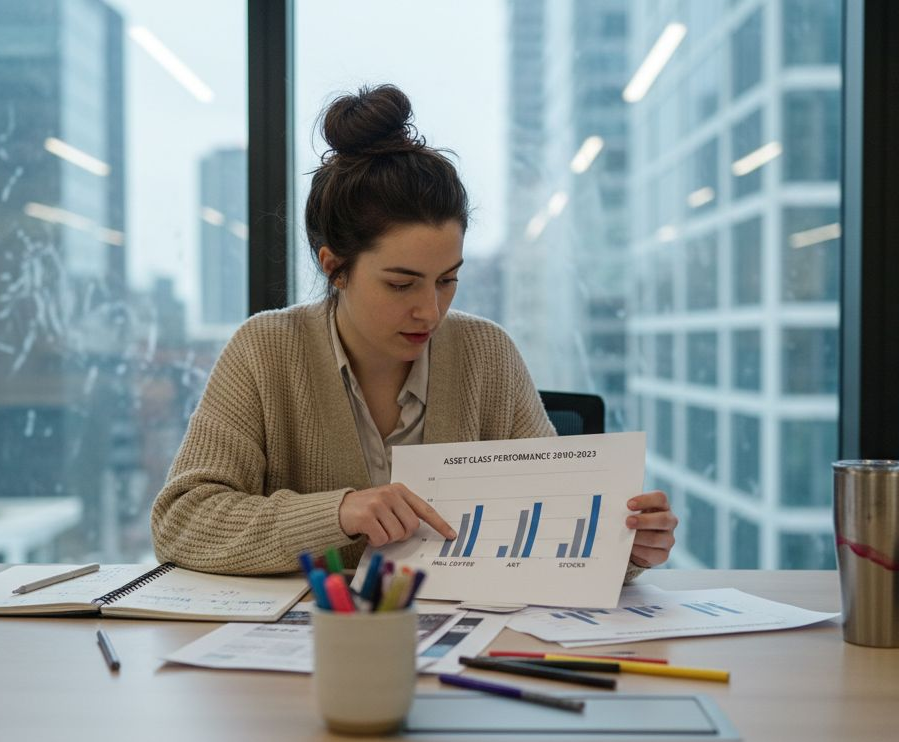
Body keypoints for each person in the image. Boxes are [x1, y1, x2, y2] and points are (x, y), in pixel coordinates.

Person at [152, 84, 677, 578]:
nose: (431, 311)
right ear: (335, 267)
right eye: (402, 285)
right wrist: (339, 513)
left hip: (459, 653)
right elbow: (180, 521)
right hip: (309, 652)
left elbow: (559, 525)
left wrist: (624, 546)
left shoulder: (486, 354)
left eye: (448, 280)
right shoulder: (265, 350)